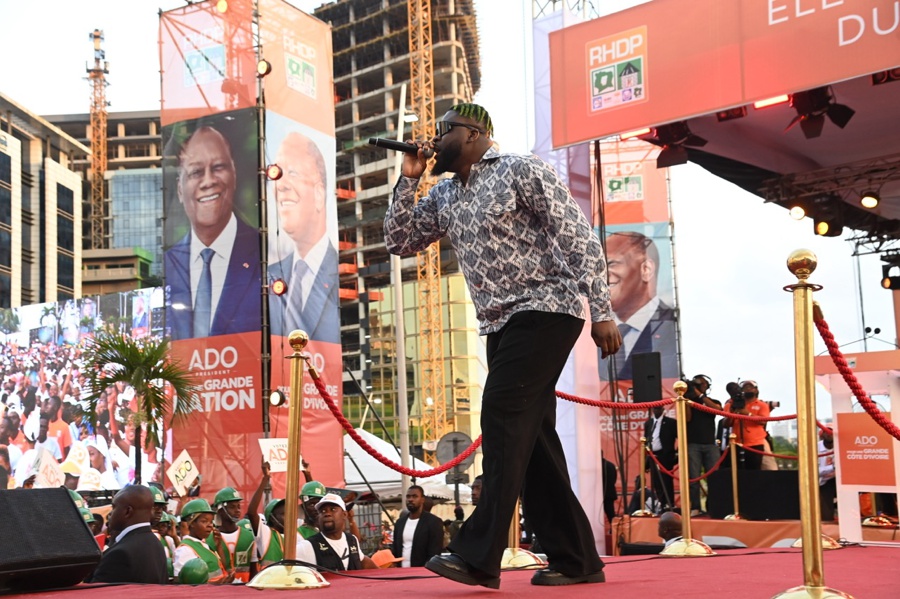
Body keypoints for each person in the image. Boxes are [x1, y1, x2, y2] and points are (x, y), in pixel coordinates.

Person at [384, 103, 621, 588]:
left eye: (444, 130)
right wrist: (409, 178)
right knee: (533, 444)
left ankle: (477, 554)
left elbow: (577, 238)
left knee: (501, 415)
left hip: (545, 309)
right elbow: (399, 239)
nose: (434, 139)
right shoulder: (445, 193)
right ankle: (577, 559)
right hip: (499, 325)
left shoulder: (519, 169)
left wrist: (601, 310)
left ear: (473, 134)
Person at [164, 125, 261, 340]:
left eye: (218, 167)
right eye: (196, 172)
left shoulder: (266, 252)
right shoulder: (167, 265)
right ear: (180, 190)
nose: (208, 181)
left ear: (234, 175)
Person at [268, 132, 340, 342]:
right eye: (278, 174)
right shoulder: (269, 276)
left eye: (292, 173)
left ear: (319, 194)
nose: (280, 184)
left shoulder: (338, 273)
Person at [599, 231, 677, 381]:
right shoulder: (594, 333)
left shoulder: (671, 327)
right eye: (598, 267)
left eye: (611, 264)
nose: (601, 275)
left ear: (646, 269)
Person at [87, 485, 168, 584]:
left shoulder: (119, 554)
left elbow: (96, 591)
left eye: (114, 507)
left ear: (127, 511)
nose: (110, 514)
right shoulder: (157, 544)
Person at [296, 493, 377, 571]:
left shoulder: (352, 540)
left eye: (333, 509)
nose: (327, 514)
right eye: (323, 511)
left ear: (344, 514)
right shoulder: (307, 546)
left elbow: (363, 561)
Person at [684, 374, 722, 515]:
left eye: (704, 383)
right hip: (693, 444)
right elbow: (687, 419)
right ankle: (695, 507)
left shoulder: (711, 401)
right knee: (693, 477)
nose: (702, 386)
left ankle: (714, 506)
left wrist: (700, 396)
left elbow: (718, 410)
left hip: (710, 444)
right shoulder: (688, 401)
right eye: (700, 384)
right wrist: (688, 400)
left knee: (714, 478)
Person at [173, 499, 233, 584]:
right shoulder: (185, 550)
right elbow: (184, 585)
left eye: (211, 521)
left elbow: (220, 567)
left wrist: (218, 546)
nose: (210, 525)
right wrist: (219, 583)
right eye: (204, 521)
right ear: (192, 523)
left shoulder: (203, 544)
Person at [208, 486, 257, 582]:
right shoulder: (210, 539)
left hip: (244, 589)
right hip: (220, 590)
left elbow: (254, 570)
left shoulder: (249, 537)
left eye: (238, 506)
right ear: (220, 510)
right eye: (232, 507)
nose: (237, 510)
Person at [391, 485, 444, 568]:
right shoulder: (400, 523)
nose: (410, 499)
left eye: (415, 496)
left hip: (422, 572)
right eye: (408, 496)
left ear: (422, 499)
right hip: (400, 572)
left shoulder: (433, 522)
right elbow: (395, 549)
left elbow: (435, 553)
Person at [722, 380, 770, 470]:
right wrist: (733, 412)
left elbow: (763, 421)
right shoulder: (731, 404)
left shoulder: (762, 405)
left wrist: (748, 414)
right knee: (736, 471)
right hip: (735, 444)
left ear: (756, 390)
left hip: (756, 444)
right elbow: (725, 424)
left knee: (754, 472)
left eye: (750, 387)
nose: (748, 389)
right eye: (745, 387)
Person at [644, 405, 677, 513]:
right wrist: (646, 462)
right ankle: (661, 504)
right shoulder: (649, 423)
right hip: (653, 455)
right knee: (656, 482)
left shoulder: (671, 422)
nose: (656, 410)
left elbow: (680, 437)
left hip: (665, 456)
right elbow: (646, 442)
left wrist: (677, 454)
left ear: (663, 409)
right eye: (654, 409)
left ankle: (669, 504)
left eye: (658, 408)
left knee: (666, 481)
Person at [819, 428, 837, 522]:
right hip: (822, 482)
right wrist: (832, 467)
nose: (829, 434)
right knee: (826, 513)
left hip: (838, 480)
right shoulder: (815, 447)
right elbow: (814, 471)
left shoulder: (840, 446)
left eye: (831, 431)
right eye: (826, 431)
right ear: (822, 435)